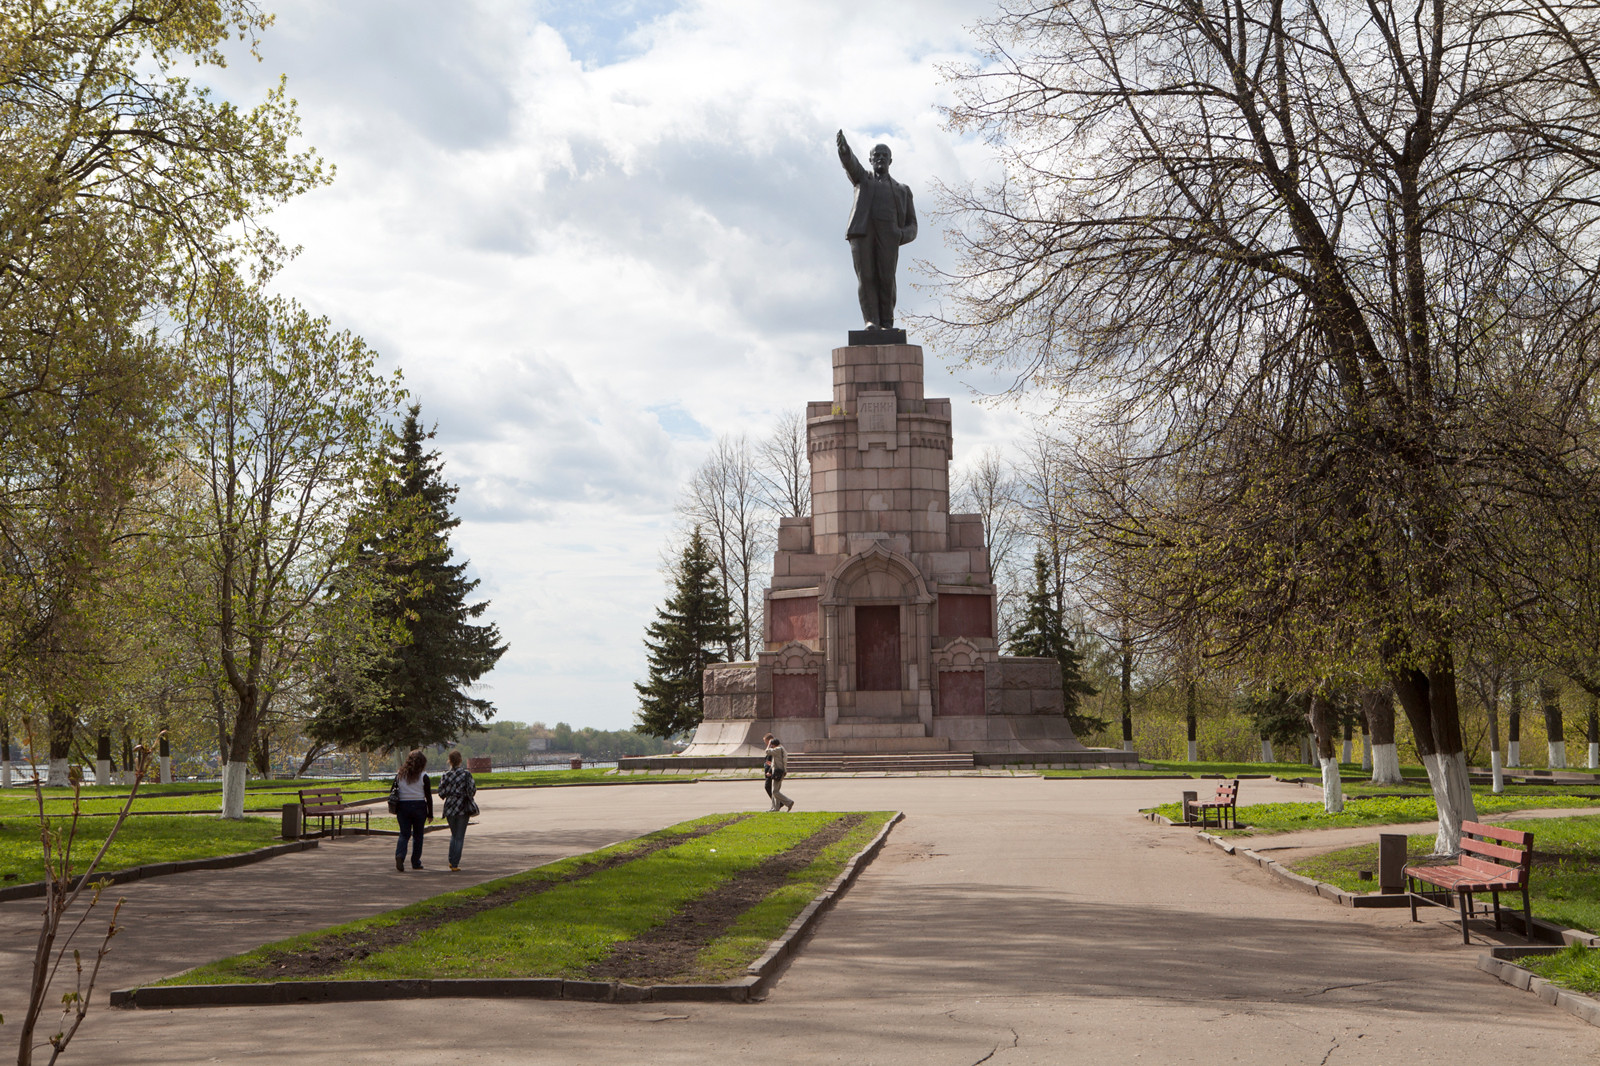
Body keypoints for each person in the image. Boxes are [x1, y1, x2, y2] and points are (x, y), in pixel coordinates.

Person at [836, 129, 917, 329]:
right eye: (876, 156)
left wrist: (900, 235)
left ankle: (887, 323)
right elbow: (851, 164)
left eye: (884, 156)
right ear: (870, 160)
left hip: (889, 236)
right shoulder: (863, 179)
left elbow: (913, 225)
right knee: (867, 277)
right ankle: (871, 321)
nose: (880, 159)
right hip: (863, 234)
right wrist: (844, 151)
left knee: (887, 280)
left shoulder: (902, 190)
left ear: (890, 161)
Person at [390, 749, 433, 871]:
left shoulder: (400, 775)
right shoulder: (424, 776)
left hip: (403, 807)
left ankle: (400, 855)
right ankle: (415, 862)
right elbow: (428, 797)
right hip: (419, 806)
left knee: (404, 834)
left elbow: (393, 790)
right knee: (418, 835)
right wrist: (430, 813)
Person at [437, 749, 478, 872]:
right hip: (462, 807)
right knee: (459, 837)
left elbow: (441, 793)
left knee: (454, 835)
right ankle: (454, 863)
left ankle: (451, 859)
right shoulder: (466, 774)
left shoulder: (445, 775)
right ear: (460, 760)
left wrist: (451, 793)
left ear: (449, 761)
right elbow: (472, 790)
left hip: (449, 807)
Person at [767, 734, 793, 812]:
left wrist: (768, 744)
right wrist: (770, 771)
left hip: (778, 772)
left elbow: (767, 751)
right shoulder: (781, 748)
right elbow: (774, 762)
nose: (771, 746)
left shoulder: (778, 749)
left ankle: (789, 802)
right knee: (775, 790)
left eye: (772, 745)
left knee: (775, 791)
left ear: (774, 744)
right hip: (780, 771)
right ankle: (775, 808)